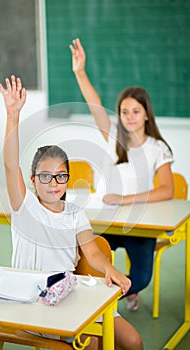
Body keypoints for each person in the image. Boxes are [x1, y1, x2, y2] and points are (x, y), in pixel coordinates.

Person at [0, 75, 143, 350]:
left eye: (60, 176)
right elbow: (9, 165)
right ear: (32, 179)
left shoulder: (75, 212)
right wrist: (13, 115)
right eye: (45, 176)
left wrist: (110, 268)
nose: (54, 184)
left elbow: (91, 253)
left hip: (68, 292)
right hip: (34, 299)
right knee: (93, 344)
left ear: (67, 179)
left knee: (133, 341)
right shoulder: (24, 206)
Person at [69, 38, 174, 312]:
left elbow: (167, 190)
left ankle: (108, 298)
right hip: (106, 219)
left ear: (146, 115)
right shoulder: (111, 136)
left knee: (140, 278)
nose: (129, 117)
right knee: (85, 259)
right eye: (124, 111)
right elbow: (94, 103)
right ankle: (98, 302)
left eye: (135, 111)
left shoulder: (157, 148)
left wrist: (124, 199)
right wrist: (80, 71)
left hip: (140, 223)